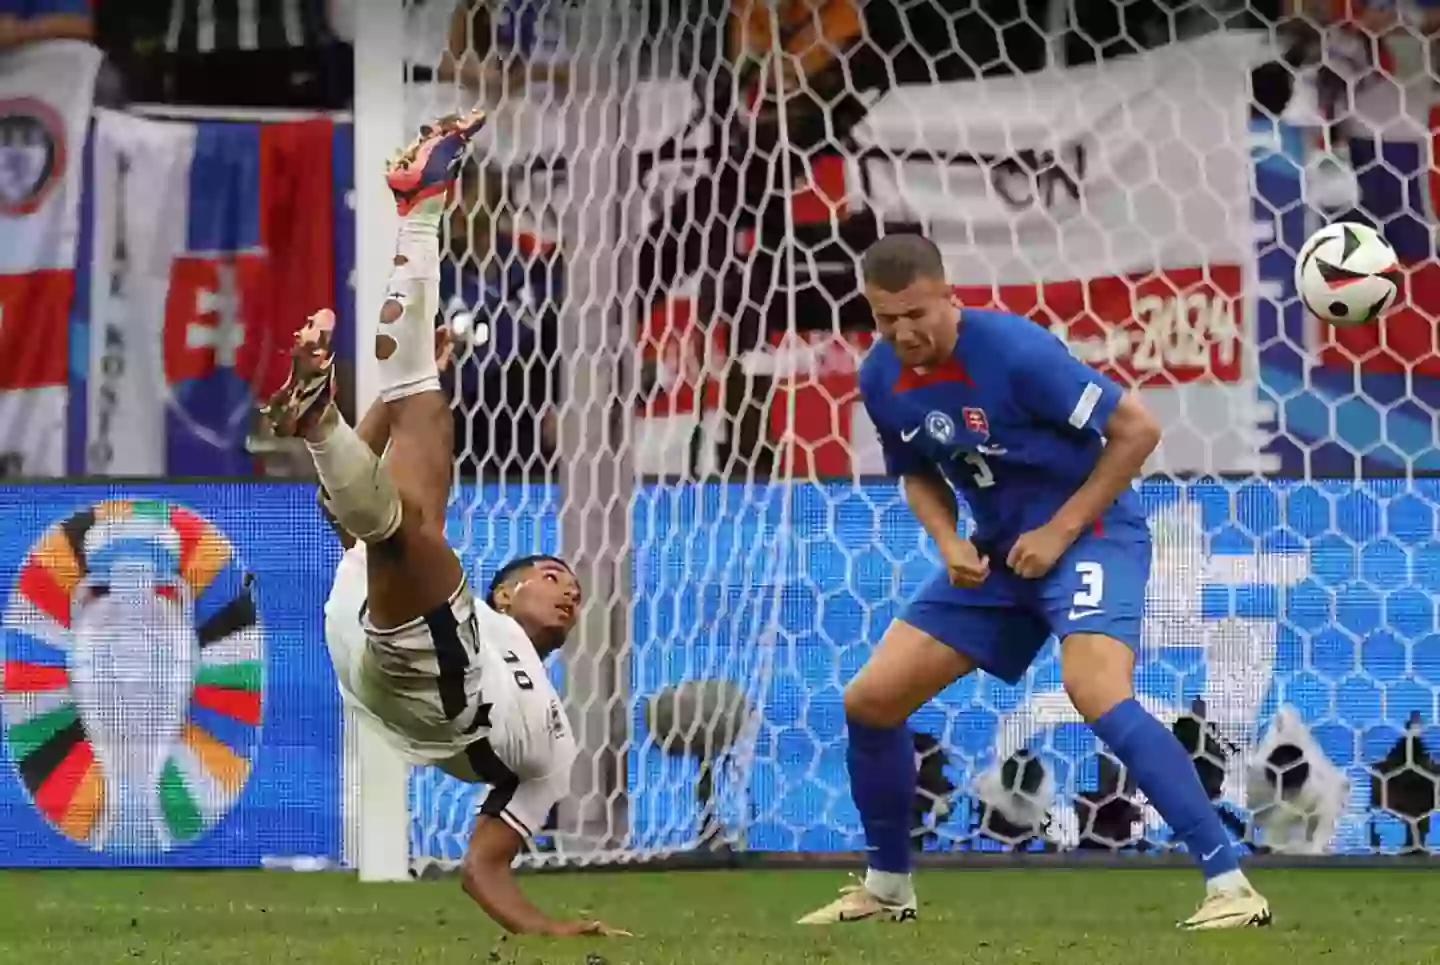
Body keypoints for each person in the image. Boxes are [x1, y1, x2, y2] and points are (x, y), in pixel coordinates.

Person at [797, 234, 1270, 931]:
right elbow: (917, 471)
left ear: (948, 295)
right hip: (1000, 555)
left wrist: (1060, 530)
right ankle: (888, 885)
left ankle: (1231, 884)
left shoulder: (1015, 352)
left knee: (1096, 690)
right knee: (870, 699)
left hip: (1091, 536)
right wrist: (949, 539)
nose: (902, 331)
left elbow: (1136, 430)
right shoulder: (880, 375)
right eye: (885, 317)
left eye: (915, 313)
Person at [261, 112, 625, 938]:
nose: (569, 587)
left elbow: (481, 865)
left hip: (431, 692)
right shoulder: (479, 611)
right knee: (419, 421)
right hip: (391, 634)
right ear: (506, 589)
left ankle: (324, 425)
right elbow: (359, 516)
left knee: (402, 519)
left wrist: (549, 928)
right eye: (553, 574)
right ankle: (421, 210)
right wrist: (398, 397)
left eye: (573, 585)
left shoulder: (557, 747)